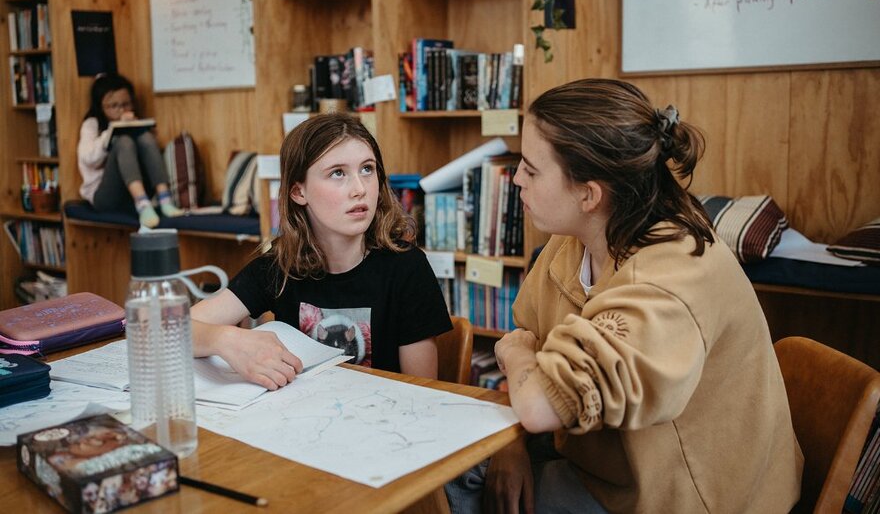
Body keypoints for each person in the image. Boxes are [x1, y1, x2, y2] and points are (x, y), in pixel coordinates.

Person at [448, 79, 803, 513]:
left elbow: (536, 390)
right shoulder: (580, 234)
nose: (516, 177)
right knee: (454, 472)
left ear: (588, 194)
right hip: (603, 466)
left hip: (683, 499)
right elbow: (529, 334)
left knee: (452, 493)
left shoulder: (671, 277)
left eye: (531, 168)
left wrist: (519, 358)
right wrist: (511, 445)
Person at [191, 112, 452, 388]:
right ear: (298, 192)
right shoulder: (277, 267)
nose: (360, 189)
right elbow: (168, 333)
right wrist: (227, 340)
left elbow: (423, 394)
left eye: (367, 169)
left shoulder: (407, 267)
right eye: (338, 173)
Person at [76, 73, 182, 228]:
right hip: (104, 196)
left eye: (126, 104)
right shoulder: (92, 124)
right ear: (101, 106)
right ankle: (143, 205)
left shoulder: (133, 118)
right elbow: (88, 158)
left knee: (145, 137)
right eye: (113, 106)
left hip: (131, 193)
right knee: (123, 141)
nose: (121, 110)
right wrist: (112, 132)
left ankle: (165, 199)